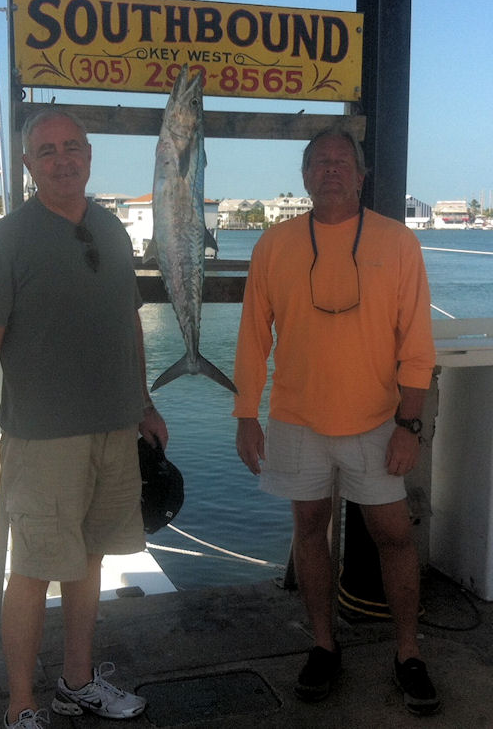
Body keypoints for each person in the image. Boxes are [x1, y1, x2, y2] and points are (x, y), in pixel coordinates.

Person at [0, 108, 168, 729]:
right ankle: (20, 704)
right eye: (47, 151)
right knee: (34, 570)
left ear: (90, 155)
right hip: (42, 438)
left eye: (73, 147)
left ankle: (77, 681)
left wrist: (145, 403)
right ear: (27, 165)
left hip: (114, 429)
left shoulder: (113, 231)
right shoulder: (4, 244)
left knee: (92, 558)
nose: (62, 159)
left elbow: (127, 325)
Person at [233, 127, 440, 716]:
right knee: (310, 531)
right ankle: (324, 645)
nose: (330, 170)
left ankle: (408, 652)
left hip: (378, 420)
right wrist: (246, 414)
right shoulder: (273, 245)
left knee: (394, 535)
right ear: (304, 176)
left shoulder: (398, 243)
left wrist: (410, 424)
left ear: (360, 174)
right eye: (319, 162)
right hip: (296, 418)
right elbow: (252, 339)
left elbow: (416, 345)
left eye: (341, 161)